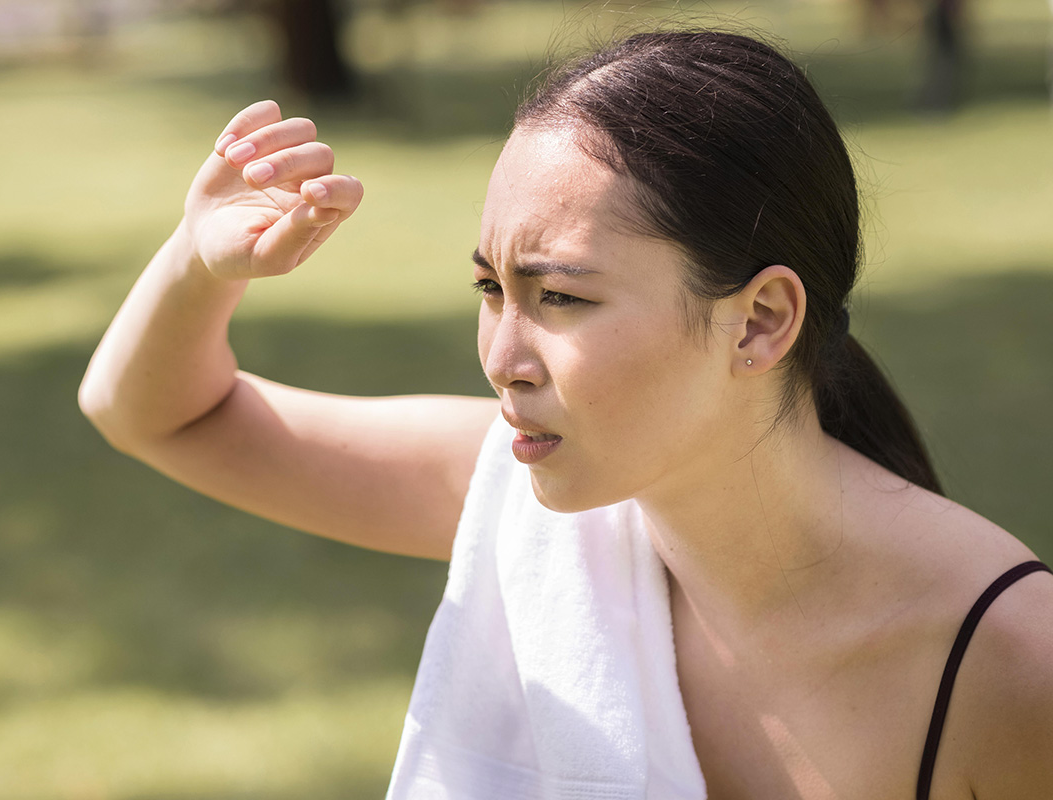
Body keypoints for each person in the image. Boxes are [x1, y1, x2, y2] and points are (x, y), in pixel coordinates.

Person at [79, 29, 1053, 799]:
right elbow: (153, 413)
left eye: (560, 298)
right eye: (490, 288)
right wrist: (196, 264)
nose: (502, 358)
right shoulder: (509, 496)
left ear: (759, 320)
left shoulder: (1010, 661)